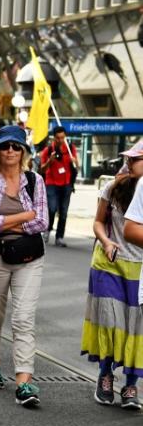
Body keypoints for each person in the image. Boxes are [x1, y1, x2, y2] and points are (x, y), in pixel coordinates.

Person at [0, 125, 48, 408]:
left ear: (23, 152)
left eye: (16, 147)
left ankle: (23, 381)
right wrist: (23, 217)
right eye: (5, 146)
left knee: (23, 319)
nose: (10, 151)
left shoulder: (34, 181)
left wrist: (6, 222)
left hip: (30, 257)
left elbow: (42, 221)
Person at [83, 141, 143, 409]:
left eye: (136, 159)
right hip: (110, 262)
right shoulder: (113, 187)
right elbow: (97, 222)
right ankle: (105, 375)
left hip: (139, 267)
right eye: (129, 159)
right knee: (110, 321)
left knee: (135, 327)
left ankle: (131, 385)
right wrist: (106, 241)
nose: (130, 163)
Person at [39, 126, 79, 247]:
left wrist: (75, 162)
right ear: (54, 138)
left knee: (64, 212)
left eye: (62, 137)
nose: (60, 140)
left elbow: (77, 167)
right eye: (58, 138)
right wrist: (50, 161)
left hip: (66, 184)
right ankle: (47, 230)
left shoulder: (70, 148)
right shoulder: (48, 150)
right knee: (51, 209)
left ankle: (59, 237)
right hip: (51, 184)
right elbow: (42, 169)